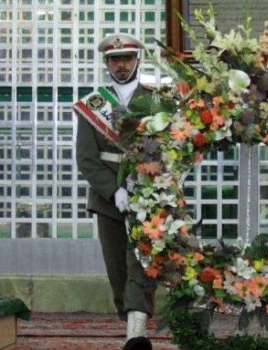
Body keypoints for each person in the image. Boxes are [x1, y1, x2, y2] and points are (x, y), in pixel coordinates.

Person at [75, 33, 156, 350]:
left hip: (150, 196)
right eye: (114, 59)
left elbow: (171, 149)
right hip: (109, 200)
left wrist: (149, 185)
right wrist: (113, 191)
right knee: (118, 269)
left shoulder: (156, 101)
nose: (121, 65)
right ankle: (131, 321)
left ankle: (137, 335)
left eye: (127, 58)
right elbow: (86, 157)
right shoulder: (92, 104)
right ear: (106, 63)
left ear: (137, 59)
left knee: (142, 263)